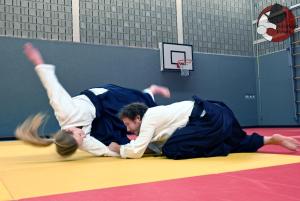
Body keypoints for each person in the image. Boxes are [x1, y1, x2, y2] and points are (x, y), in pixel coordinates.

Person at [15, 43, 171, 157]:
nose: (82, 137)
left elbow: (52, 86)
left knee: (136, 105)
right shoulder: (82, 143)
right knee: (114, 137)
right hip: (98, 119)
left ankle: (150, 90)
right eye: (80, 142)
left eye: (78, 136)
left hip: (101, 99)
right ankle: (149, 145)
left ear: (68, 130)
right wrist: (121, 152)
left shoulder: (65, 111)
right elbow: (103, 150)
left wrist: (37, 61)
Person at [108, 96, 300, 159]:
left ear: (138, 117)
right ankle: (271, 139)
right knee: (234, 141)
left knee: (172, 149)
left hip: (209, 119)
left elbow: (138, 150)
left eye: (128, 124)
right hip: (217, 113)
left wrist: (118, 149)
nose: (128, 131)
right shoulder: (158, 118)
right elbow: (150, 146)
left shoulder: (150, 117)